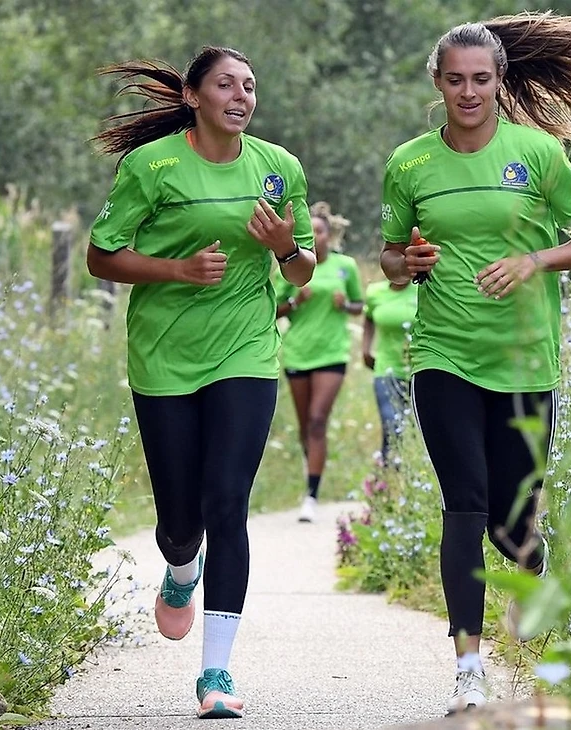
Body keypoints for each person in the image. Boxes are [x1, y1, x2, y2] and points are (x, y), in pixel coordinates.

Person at [379, 12, 571, 715]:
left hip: (524, 360)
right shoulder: (411, 162)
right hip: (444, 355)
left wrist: (534, 259)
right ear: (437, 82)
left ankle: (533, 567)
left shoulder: (538, 155)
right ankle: (467, 668)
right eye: (454, 80)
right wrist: (409, 262)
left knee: (511, 527)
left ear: (500, 80)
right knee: (466, 506)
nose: (468, 92)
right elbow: (392, 259)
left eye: (480, 79)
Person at [86, 46, 316, 719]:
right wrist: (176, 272)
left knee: (226, 504)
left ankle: (216, 673)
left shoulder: (279, 169)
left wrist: (282, 249)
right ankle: (180, 570)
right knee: (181, 523)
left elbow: (302, 270)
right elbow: (102, 255)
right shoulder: (152, 166)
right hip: (164, 355)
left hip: (245, 350)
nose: (241, 96)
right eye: (225, 85)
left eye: (249, 85)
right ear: (193, 96)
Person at [275, 201, 364, 523]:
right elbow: (272, 309)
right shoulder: (292, 267)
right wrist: (294, 300)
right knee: (305, 427)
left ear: (329, 235)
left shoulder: (346, 267)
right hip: (298, 351)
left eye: (320, 231)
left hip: (333, 352)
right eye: (309, 232)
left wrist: (346, 305)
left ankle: (311, 495)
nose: (315, 236)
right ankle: (310, 468)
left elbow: (359, 306)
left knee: (317, 420)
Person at [361, 278, 418, 467]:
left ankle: (407, 472)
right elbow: (368, 319)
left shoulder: (422, 289)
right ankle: (390, 471)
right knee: (391, 422)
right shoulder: (375, 292)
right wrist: (366, 349)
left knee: (416, 428)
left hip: (419, 368)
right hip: (386, 368)